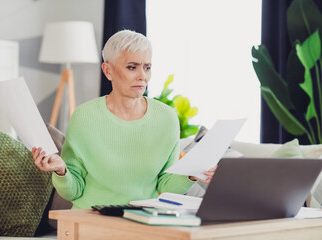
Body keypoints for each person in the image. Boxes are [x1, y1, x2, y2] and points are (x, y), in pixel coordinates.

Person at [32, 30, 215, 209]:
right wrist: (61, 171)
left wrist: (191, 174)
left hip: (142, 220)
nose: (142, 76)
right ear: (108, 70)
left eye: (147, 67)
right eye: (132, 67)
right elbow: (74, 191)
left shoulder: (167, 118)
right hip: (91, 219)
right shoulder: (84, 117)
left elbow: (165, 186)